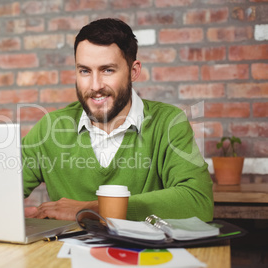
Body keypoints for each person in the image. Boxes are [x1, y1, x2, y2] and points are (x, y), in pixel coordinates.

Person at [22, 18, 214, 222]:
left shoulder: (168, 122)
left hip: (142, 253)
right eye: (85, 71)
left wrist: (92, 210)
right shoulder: (50, 128)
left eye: (107, 70)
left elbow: (198, 201)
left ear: (134, 71)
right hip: (62, 253)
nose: (95, 85)